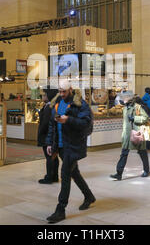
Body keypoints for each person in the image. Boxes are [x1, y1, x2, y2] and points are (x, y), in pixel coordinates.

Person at [45, 80, 96, 223]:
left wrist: (68, 120)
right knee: (75, 173)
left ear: (71, 90)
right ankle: (89, 196)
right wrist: (49, 142)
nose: (61, 94)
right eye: (60, 91)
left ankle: (60, 210)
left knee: (65, 175)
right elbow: (52, 125)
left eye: (64, 92)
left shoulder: (80, 104)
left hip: (72, 146)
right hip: (60, 146)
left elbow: (85, 123)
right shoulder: (56, 103)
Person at [110, 91, 150, 181]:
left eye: (124, 97)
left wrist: (134, 118)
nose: (122, 99)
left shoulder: (137, 107)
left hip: (137, 134)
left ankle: (146, 170)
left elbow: (145, 118)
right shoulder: (125, 108)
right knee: (124, 154)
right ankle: (119, 173)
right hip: (127, 135)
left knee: (142, 152)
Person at [37, 87, 59, 184]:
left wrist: (40, 133)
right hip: (51, 136)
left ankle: (49, 176)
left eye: (44, 95)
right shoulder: (51, 106)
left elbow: (45, 124)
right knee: (53, 157)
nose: (42, 96)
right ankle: (54, 176)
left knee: (49, 157)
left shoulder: (49, 108)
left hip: (47, 137)